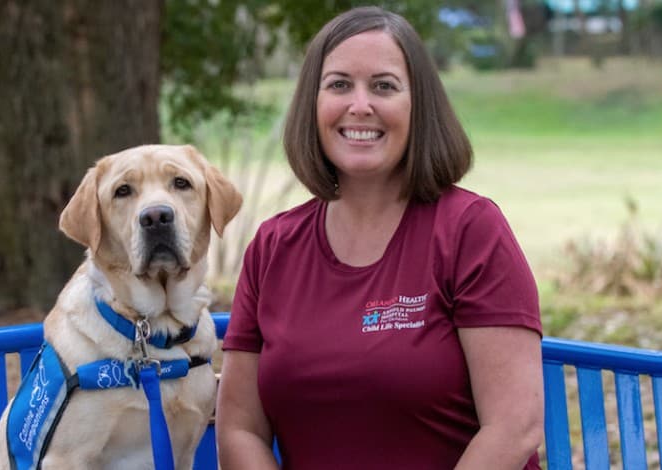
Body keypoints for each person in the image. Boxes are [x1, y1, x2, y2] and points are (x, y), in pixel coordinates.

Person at [216, 6, 544, 470]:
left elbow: (515, 426)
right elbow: (239, 429)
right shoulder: (273, 247)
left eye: (384, 86)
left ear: (419, 106)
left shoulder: (470, 229)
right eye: (339, 85)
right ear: (313, 104)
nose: (360, 105)